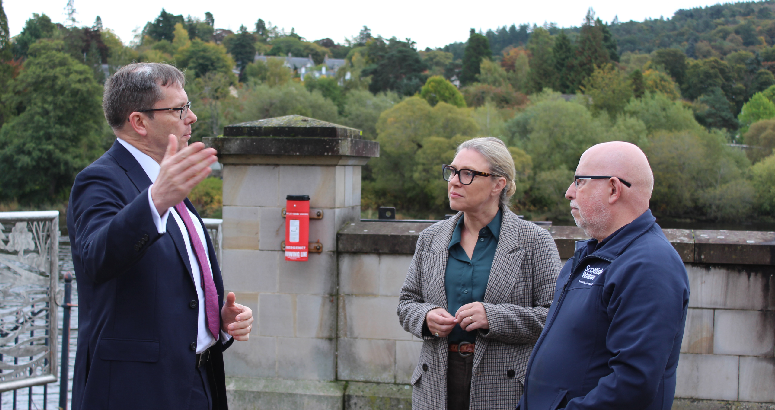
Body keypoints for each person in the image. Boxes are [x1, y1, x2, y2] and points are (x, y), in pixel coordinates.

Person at [67, 63, 253, 410]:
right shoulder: (99, 180)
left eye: (188, 105)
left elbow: (174, 284)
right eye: (179, 109)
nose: (192, 117)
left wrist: (217, 321)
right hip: (135, 391)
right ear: (139, 122)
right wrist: (155, 201)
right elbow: (95, 258)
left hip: (198, 380)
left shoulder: (169, 184)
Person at [518, 141, 690, 410]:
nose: (569, 192)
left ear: (613, 189)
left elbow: (632, 383)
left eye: (580, 181)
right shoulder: (596, 252)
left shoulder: (649, 264)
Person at [397, 137, 562, 410]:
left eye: (468, 174)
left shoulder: (535, 241)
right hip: (435, 385)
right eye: (452, 171)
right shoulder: (430, 238)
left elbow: (554, 316)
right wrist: (425, 318)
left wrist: (493, 317)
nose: (454, 181)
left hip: (505, 388)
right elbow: (406, 304)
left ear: (499, 184)